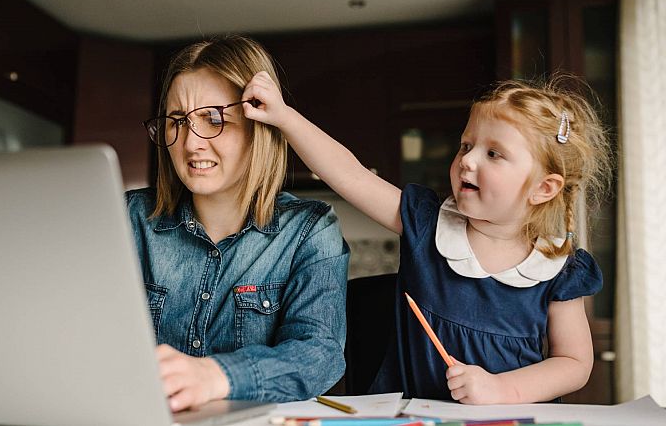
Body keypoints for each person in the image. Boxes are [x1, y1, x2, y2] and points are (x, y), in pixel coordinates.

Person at [242, 72, 611, 404]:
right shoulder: (427, 223)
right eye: (466, 146)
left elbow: (573, 363)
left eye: (493, 154)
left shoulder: (559, 266)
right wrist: (284, 117)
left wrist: (501, 390)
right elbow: (351, 176)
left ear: (543, 188)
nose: (467, 160)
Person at [125, 36, 349, 412]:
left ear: (259, 126)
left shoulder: (309, 230)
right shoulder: (131, 219)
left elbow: (319, 355)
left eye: (214, 119)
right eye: (177, 121)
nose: (191, 143)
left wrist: (217, 376)